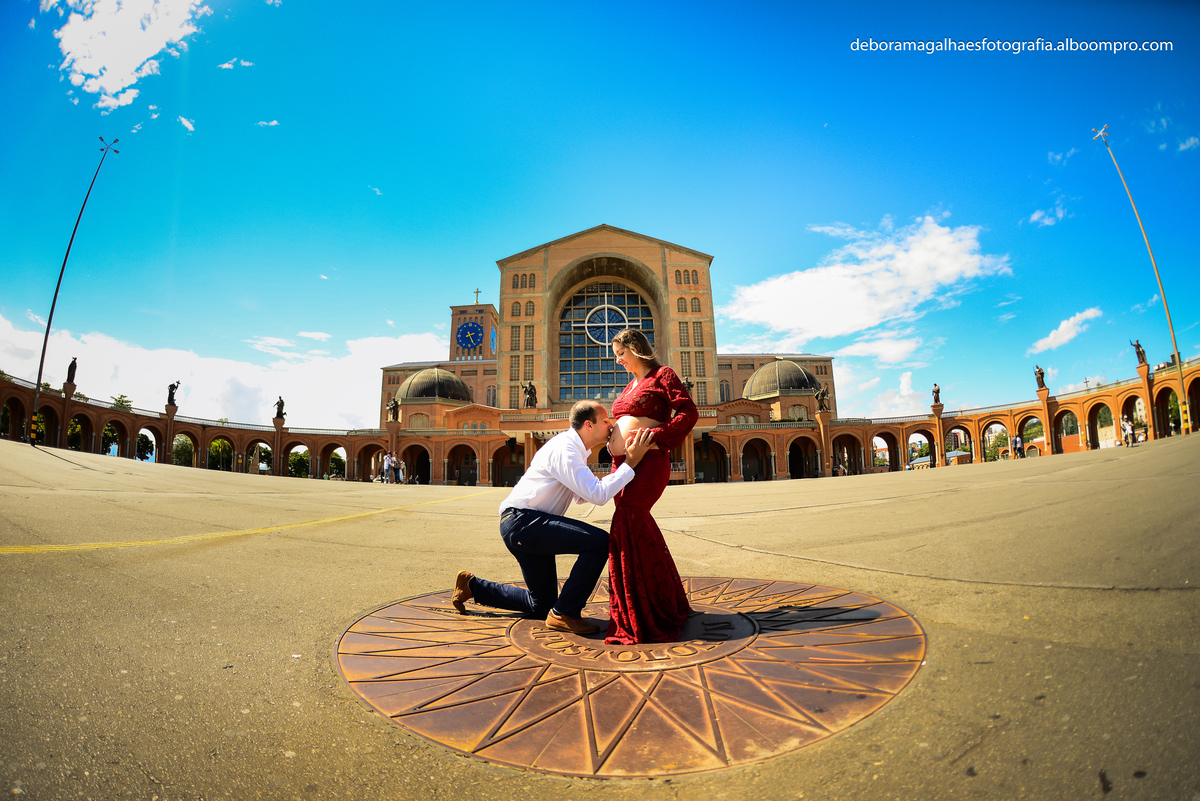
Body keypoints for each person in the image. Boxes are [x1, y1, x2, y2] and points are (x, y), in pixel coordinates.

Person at [452, 400, 657, 635]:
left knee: (541, 605)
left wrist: (617, 472)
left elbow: (582, 495)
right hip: (523, 522)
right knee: (599, 542)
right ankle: (566, 613)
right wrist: (630, 463)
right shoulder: (566, 449)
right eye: (606, 420)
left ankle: (471, 587)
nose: (611, 425)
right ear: (588, 425)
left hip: (527, 524)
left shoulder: (576, 451)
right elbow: (598, 495)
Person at [604, 328, 699, 644]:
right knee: (635, 529)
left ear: (635, 348)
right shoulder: (629, 385)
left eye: (621, 353)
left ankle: (645, 609)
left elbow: (689, 411)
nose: (618, 360)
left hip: (650, 462)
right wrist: (612, 444)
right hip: (623, 465)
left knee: (628, 522)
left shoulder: (663, 375)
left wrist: (655, 438)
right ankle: (663, 598)